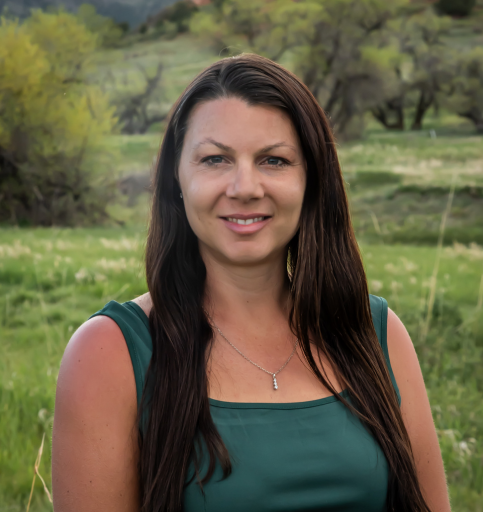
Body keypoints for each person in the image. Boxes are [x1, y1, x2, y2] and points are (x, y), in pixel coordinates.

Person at [51, 54, 451, 512]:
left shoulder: (376, 333)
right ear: (176, 181)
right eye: (215, 159)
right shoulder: (111, 352)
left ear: (312, 181)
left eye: (274, 160)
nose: (245, 187)